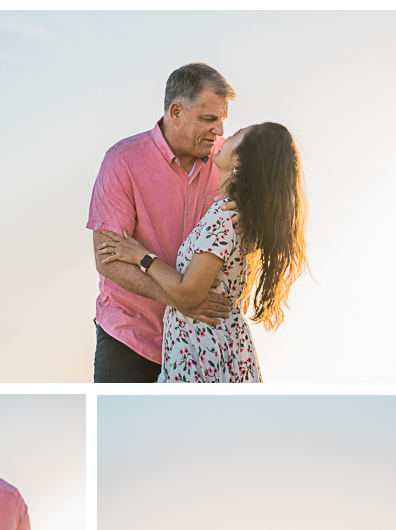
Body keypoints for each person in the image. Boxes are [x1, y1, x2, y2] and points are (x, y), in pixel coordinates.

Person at [99, 121, 307, 383]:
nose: (225, 134)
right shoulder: (237, 215)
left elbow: (189, 293)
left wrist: (141, 256)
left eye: (238, 134)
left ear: (240, 163)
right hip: (215, 346)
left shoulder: (223, 218)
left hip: (202, 350)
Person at [87, 63, 237, 382]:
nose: (219, 132)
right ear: (176, 111)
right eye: (209, 119)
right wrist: (183, 300)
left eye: (222, 120)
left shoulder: (227, 163)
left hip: (203, 339)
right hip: (130, 338)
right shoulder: (122, 161)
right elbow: (108, 259)